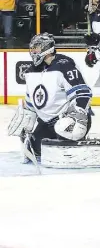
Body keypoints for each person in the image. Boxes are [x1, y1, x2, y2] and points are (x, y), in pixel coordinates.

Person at [9, 34, 92, 162]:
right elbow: (31, 102)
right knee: (32, 150)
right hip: (46, 123)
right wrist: (27, 122)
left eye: (36, 48)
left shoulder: (64, 65)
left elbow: (82, 93)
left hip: (66, 120)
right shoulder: (31, 71)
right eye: (32, 48)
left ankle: (76, 140)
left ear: (47, 48)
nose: (33, 51)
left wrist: (79, 117)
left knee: (62, 146)